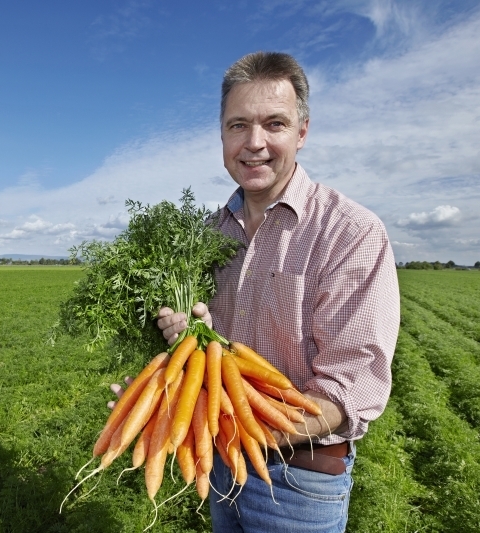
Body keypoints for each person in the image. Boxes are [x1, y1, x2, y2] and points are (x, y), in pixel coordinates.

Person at [116, 51, 400, 532]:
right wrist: (183, 352)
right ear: (221, 135)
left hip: (301, 481)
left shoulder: (350, 232)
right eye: (238, 125)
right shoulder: (207, 236)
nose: (254, 143)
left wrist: (245, 428)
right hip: (221, 463)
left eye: (274, 123)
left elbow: (352, 384)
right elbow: (213, 360)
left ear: (302, 132)